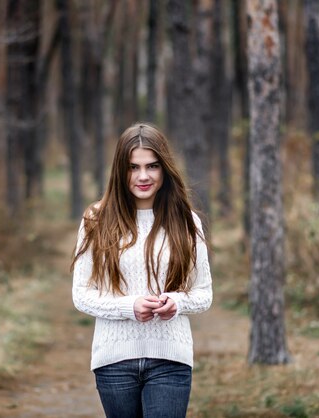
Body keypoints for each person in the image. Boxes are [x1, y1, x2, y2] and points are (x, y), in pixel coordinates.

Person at [71, 122, 213, 418]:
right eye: (133, 167)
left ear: (165, 169)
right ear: (120, 171)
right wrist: (129, 306)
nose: (143, 176)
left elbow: (203, 293)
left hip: (170, 359)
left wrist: (177, 302)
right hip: (114, 361)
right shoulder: (96, 219)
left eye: (152, 166)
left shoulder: (187, 221)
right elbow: (81, 295)